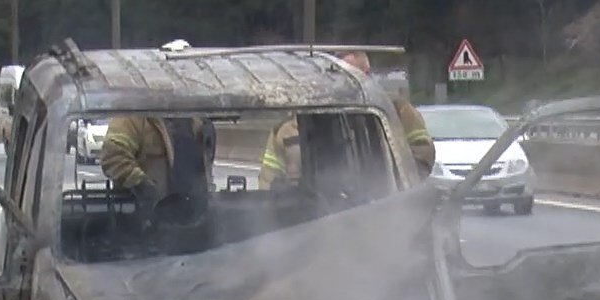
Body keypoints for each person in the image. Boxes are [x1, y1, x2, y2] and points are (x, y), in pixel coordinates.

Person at [257, 50, 435, 190]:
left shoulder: (396, 112)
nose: (343, 82)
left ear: (367, 74)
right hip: (307, 219)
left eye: (352, 75)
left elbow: (423, 154)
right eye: (336, 76)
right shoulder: (289, 127)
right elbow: (268, 181)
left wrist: (403, 193)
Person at [98, 115, 216, 206]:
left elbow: (204, 165)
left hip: (195, 213)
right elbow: (113, 155)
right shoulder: (132, 117)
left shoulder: (196, 120)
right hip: (143, 218)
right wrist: (142, 185)